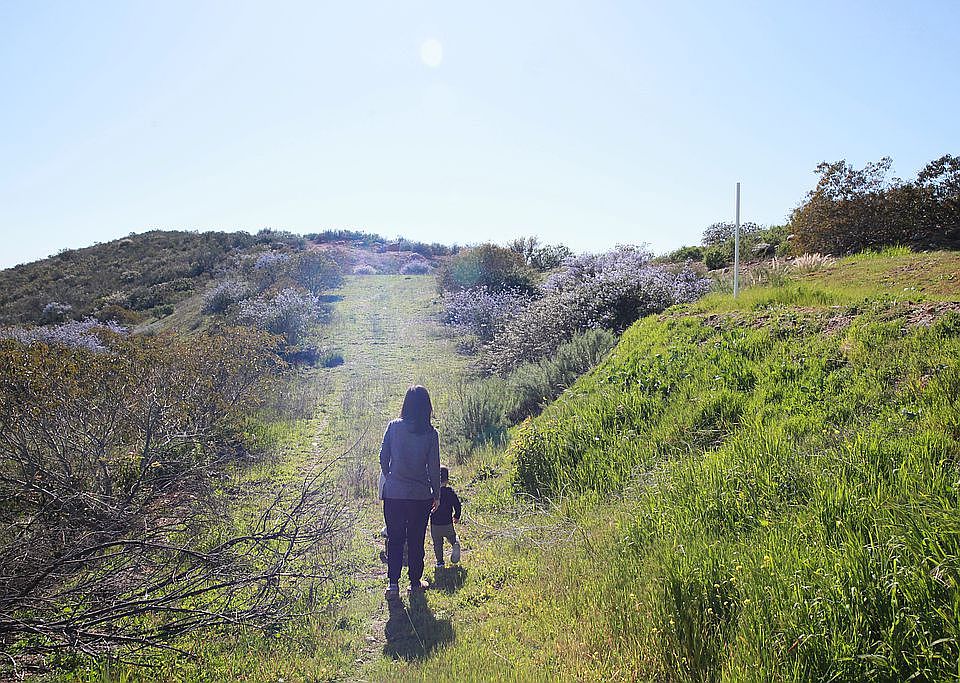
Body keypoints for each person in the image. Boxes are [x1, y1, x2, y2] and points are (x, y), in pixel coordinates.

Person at [380, 385, 441, 597]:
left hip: (394, 494)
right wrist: (437, 495)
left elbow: (382, 457)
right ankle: (415, 583)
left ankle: (392, 585)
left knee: (395, 538)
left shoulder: (393, 427)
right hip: (420, 496)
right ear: (427, 407)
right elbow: (434, 467)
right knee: (416, 540)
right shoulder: (431, 434)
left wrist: (391, 477)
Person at [430, 466, 462, 568]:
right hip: (448, 523)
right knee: (452, 537)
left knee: (437, 544)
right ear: (447, 480)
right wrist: (457, 516)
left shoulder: (432, 493)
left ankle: (440, 562)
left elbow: (426, 506)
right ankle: (455, 544)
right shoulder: (450, 492)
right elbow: (457, 504)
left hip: (435, 525)